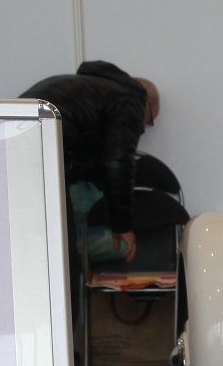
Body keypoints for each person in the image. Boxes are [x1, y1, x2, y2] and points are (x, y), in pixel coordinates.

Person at [20, 61, 159, 264]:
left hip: (17, 145)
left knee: (34, 241)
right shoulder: (130, 100)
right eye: (150, 120)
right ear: (147, 103)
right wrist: (122, 227)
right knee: (65, 252)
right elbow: (117, 163)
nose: (143, 127)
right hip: (42, 152)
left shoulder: (82, 85)